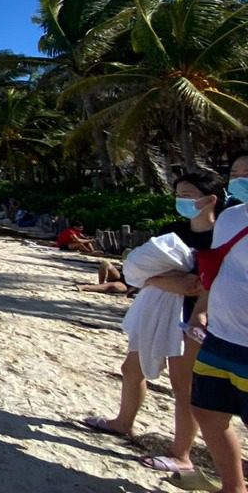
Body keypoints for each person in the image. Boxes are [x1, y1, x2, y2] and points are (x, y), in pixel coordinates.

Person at [82, 170, 221, 477]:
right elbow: (146, 273)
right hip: (159, 309)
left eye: (187, 195)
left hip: (192, 316)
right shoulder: (174, 230)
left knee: (183, 386)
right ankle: (123, 422)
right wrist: (165, 280)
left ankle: (182, 453)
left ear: (210, 199)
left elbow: (200, 285)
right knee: (132, 369)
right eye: (179, 194)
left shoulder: (222, 237)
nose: (180, 200)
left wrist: (167, 281)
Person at [189, 151, 248, 493]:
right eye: (236, 172)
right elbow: (218, 268)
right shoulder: (231, 218)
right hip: (221, 336)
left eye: (247, 171)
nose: (239, 177)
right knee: (207, 411)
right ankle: (233, 486)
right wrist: (202, 307)